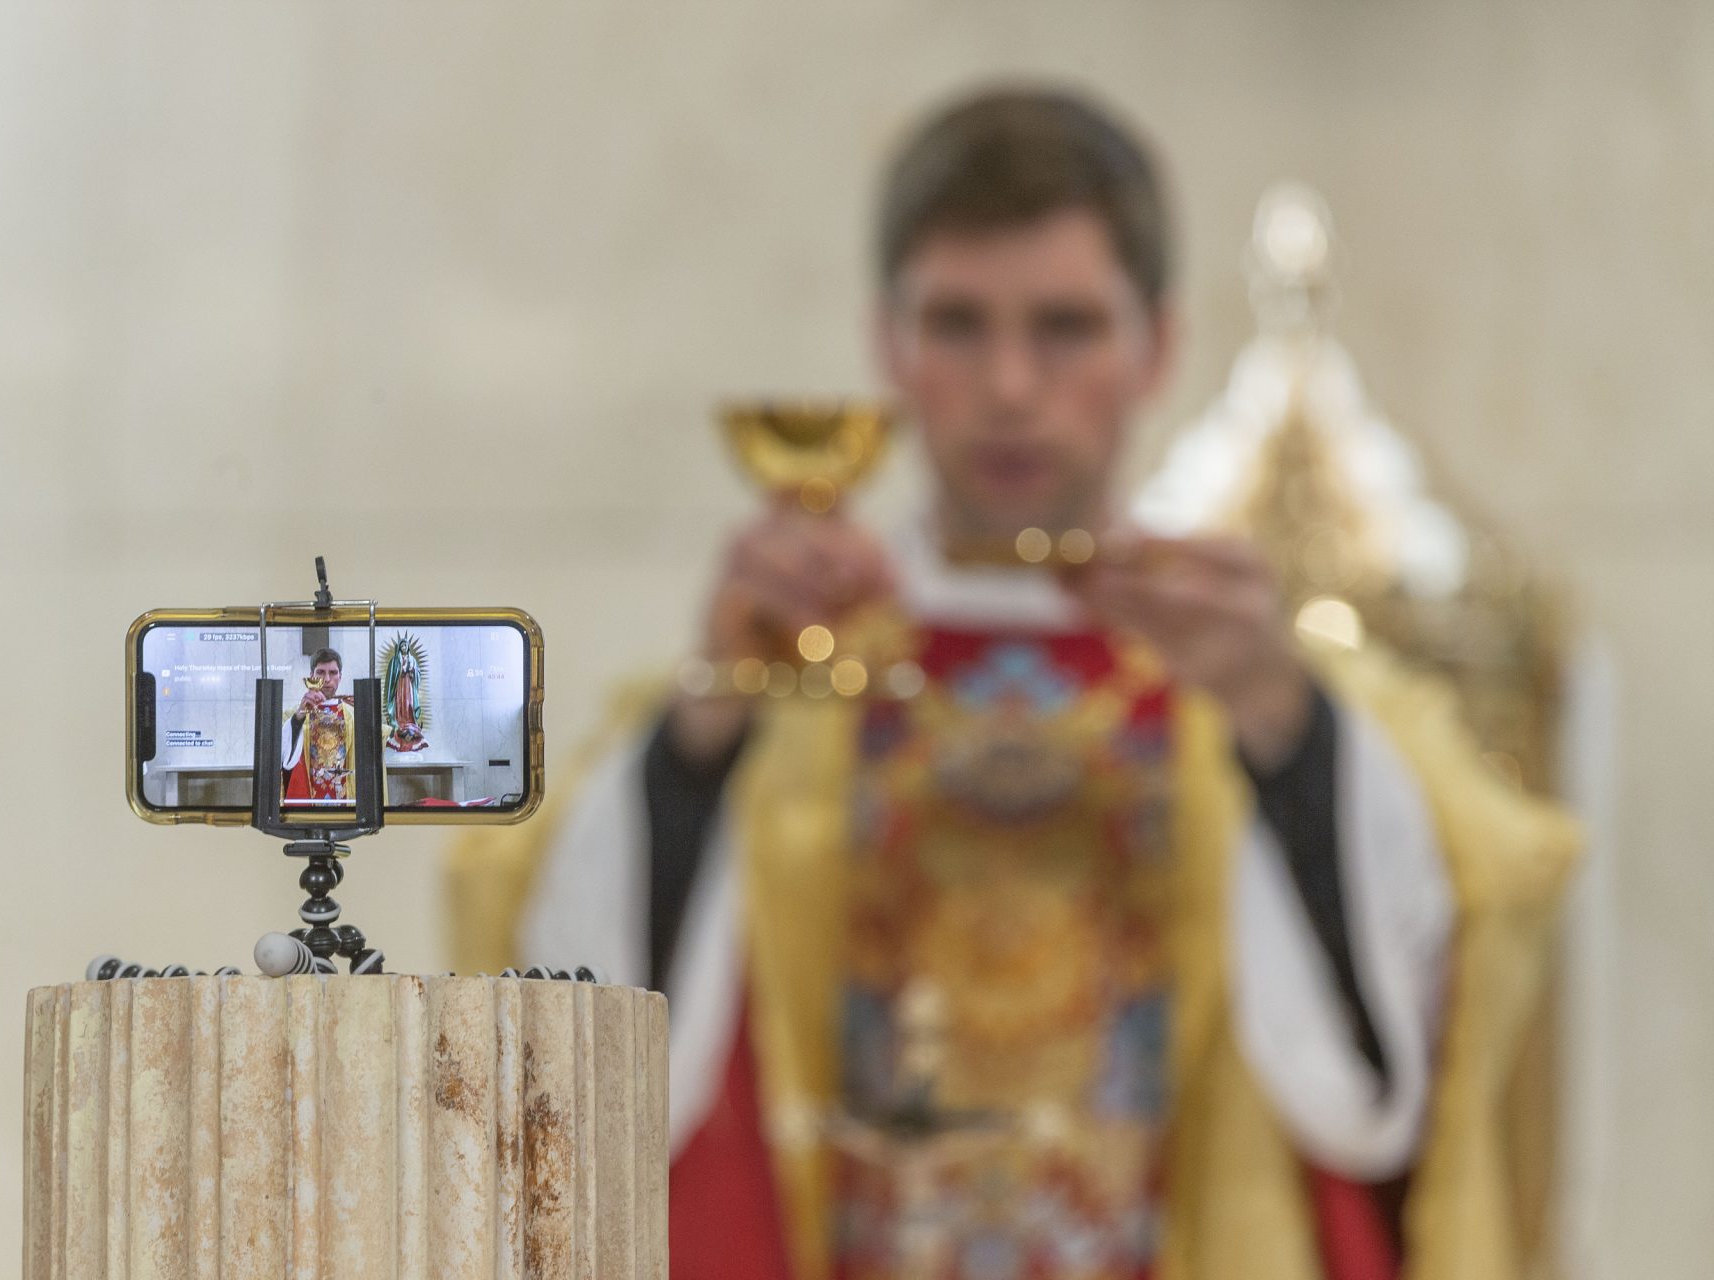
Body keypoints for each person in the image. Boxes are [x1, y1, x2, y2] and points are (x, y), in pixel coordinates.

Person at [450, 87, 1576, 1280]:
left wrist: (1281, 728)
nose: (1009, 386)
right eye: (958, 323)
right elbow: (570, 1052)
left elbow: (1409, 1066)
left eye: (1065, 326)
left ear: (1158, 345)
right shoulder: (778, 675)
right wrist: (702, 731)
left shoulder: (1263, 685)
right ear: (888, 344)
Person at [283, 646, 355, 803]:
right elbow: (282, 754)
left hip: (345, 801)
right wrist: (299, 717)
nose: (327, 679)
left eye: (333, 673)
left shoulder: (353, 715)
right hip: (309, 800)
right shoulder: (295, 714)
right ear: (311, 676)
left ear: (340, 676)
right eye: (321, 672)